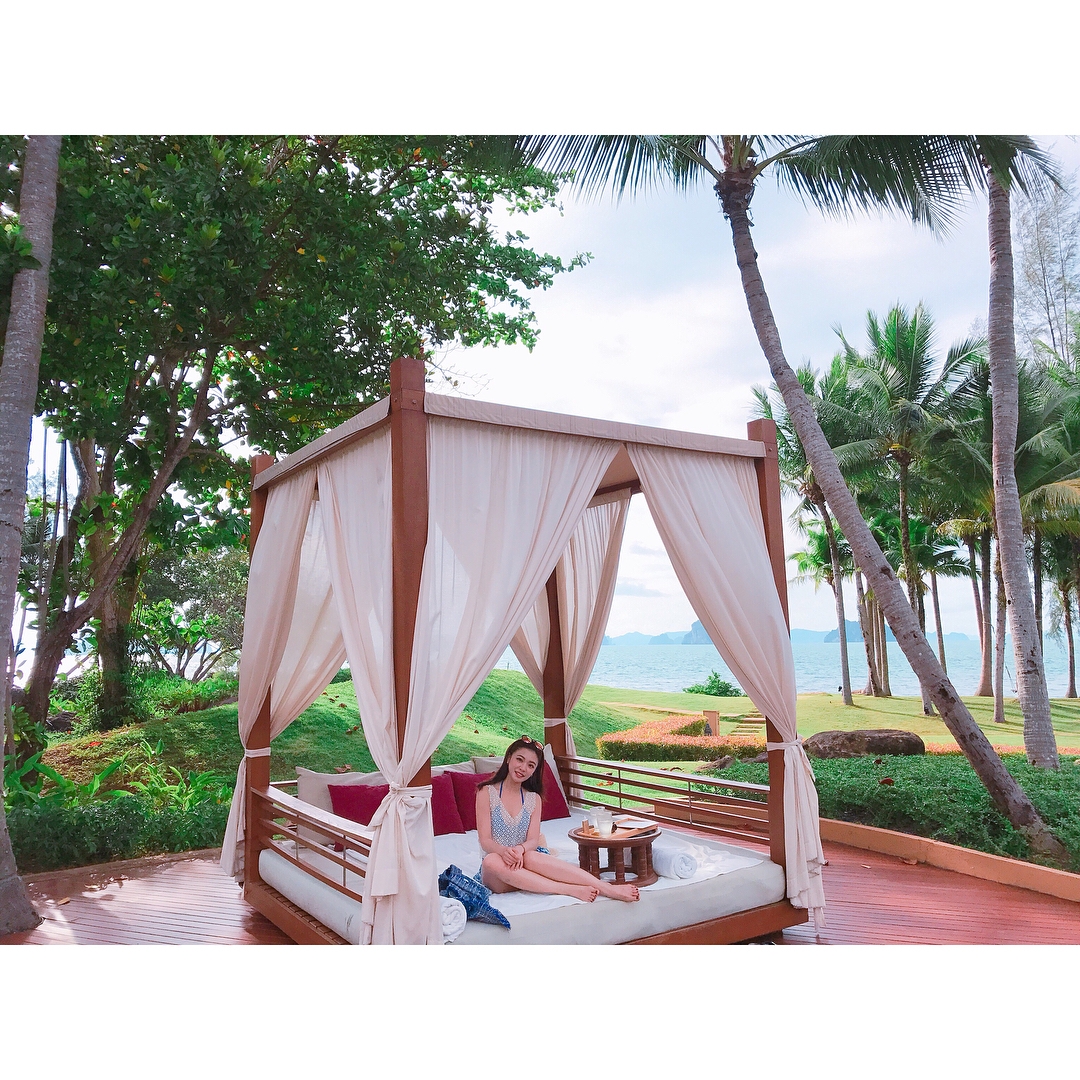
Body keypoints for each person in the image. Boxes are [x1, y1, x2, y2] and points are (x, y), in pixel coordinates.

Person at [476, 736, 639, 903]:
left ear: (534, 771)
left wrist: (519, 850)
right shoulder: (486, 793)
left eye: (531, 765)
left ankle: (607, 888)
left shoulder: (533, 799)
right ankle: (567, 889)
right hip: (497, 873)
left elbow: (532, 841)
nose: (523, 768)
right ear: (509, 758)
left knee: (531, 856)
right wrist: (505, 853)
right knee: (491, 861)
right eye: (520, 759)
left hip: (523, 862)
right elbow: (485, 841)